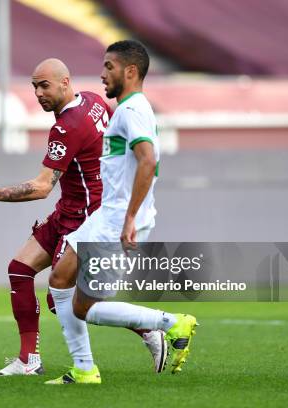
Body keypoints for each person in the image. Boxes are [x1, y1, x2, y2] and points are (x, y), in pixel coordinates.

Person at [46, 40, 198, 385]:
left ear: (130, 71)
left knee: (84, 307)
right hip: (106, 215)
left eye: (109, 67)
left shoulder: (131, 111)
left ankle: (170, 322)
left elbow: (148, 160)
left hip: (117, 220)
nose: (102, 75)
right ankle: (84, 369)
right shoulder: (132, 107)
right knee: (59, 281)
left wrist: (130, 218)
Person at [0, 58, 109, 376]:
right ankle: (29, 360)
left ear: (65, 82)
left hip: (85, 216)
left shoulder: (66, 127)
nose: (38, 93)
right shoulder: (94, 101)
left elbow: (42, 186)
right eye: (34, 86)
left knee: (63, 299)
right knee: (19, 269)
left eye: (44, 85)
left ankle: (151, 328)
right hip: (70, 209)